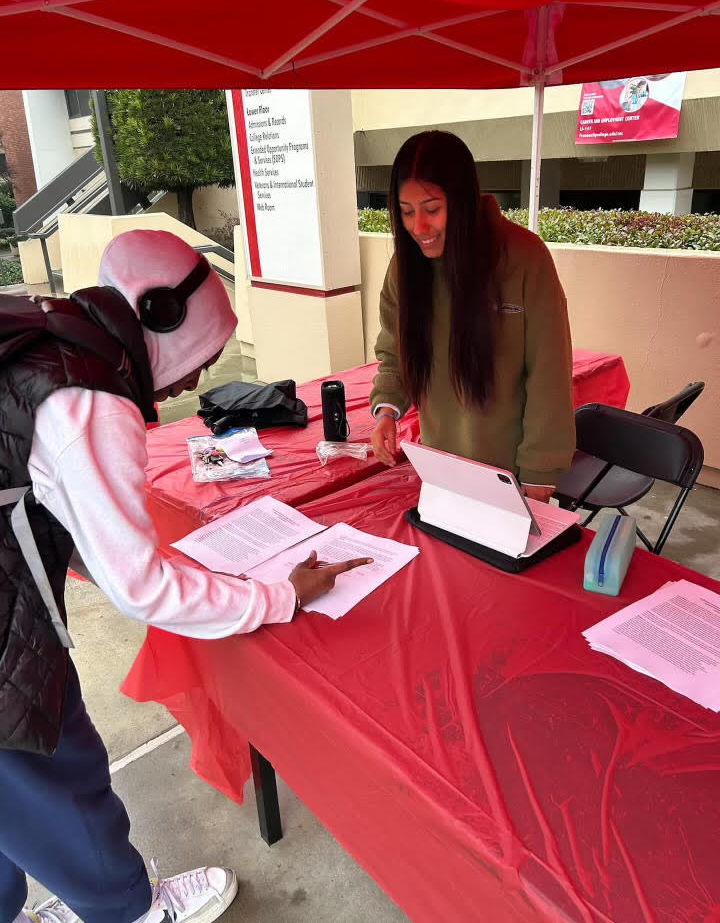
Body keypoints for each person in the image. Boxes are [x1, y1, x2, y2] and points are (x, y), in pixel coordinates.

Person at [0, 229, 370, 923]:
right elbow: (140, 588)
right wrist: (281, 593)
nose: (197, 380)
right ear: (160, 314)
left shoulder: (55, 328)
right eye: (199, 356)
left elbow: (40, 489)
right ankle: (131, 909)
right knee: (49, 759)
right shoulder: (91, 402)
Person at [370, 130, 575, 502]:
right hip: (438, 468)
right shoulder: (405, 267)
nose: (418, 228)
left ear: (461, 200)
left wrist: (540, 473)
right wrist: (387, 410)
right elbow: (394, 351)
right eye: (406, 212)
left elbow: (549, 373)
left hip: (510, 475)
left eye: (432, 209)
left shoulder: (524, 258)